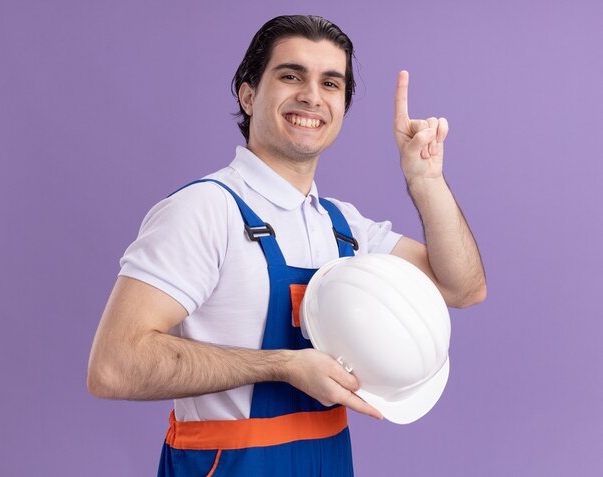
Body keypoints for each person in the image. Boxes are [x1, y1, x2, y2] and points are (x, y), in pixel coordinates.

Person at [87, 14, 486, 476]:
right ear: (249, 93)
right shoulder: (205, 210)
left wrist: (426, 181)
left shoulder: (343, 227)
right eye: (291, 75)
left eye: (331, 83)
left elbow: (462, 288)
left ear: (342, 107)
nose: (312, 96)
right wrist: (283, 365)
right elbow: (114, 365)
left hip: (328, 461)